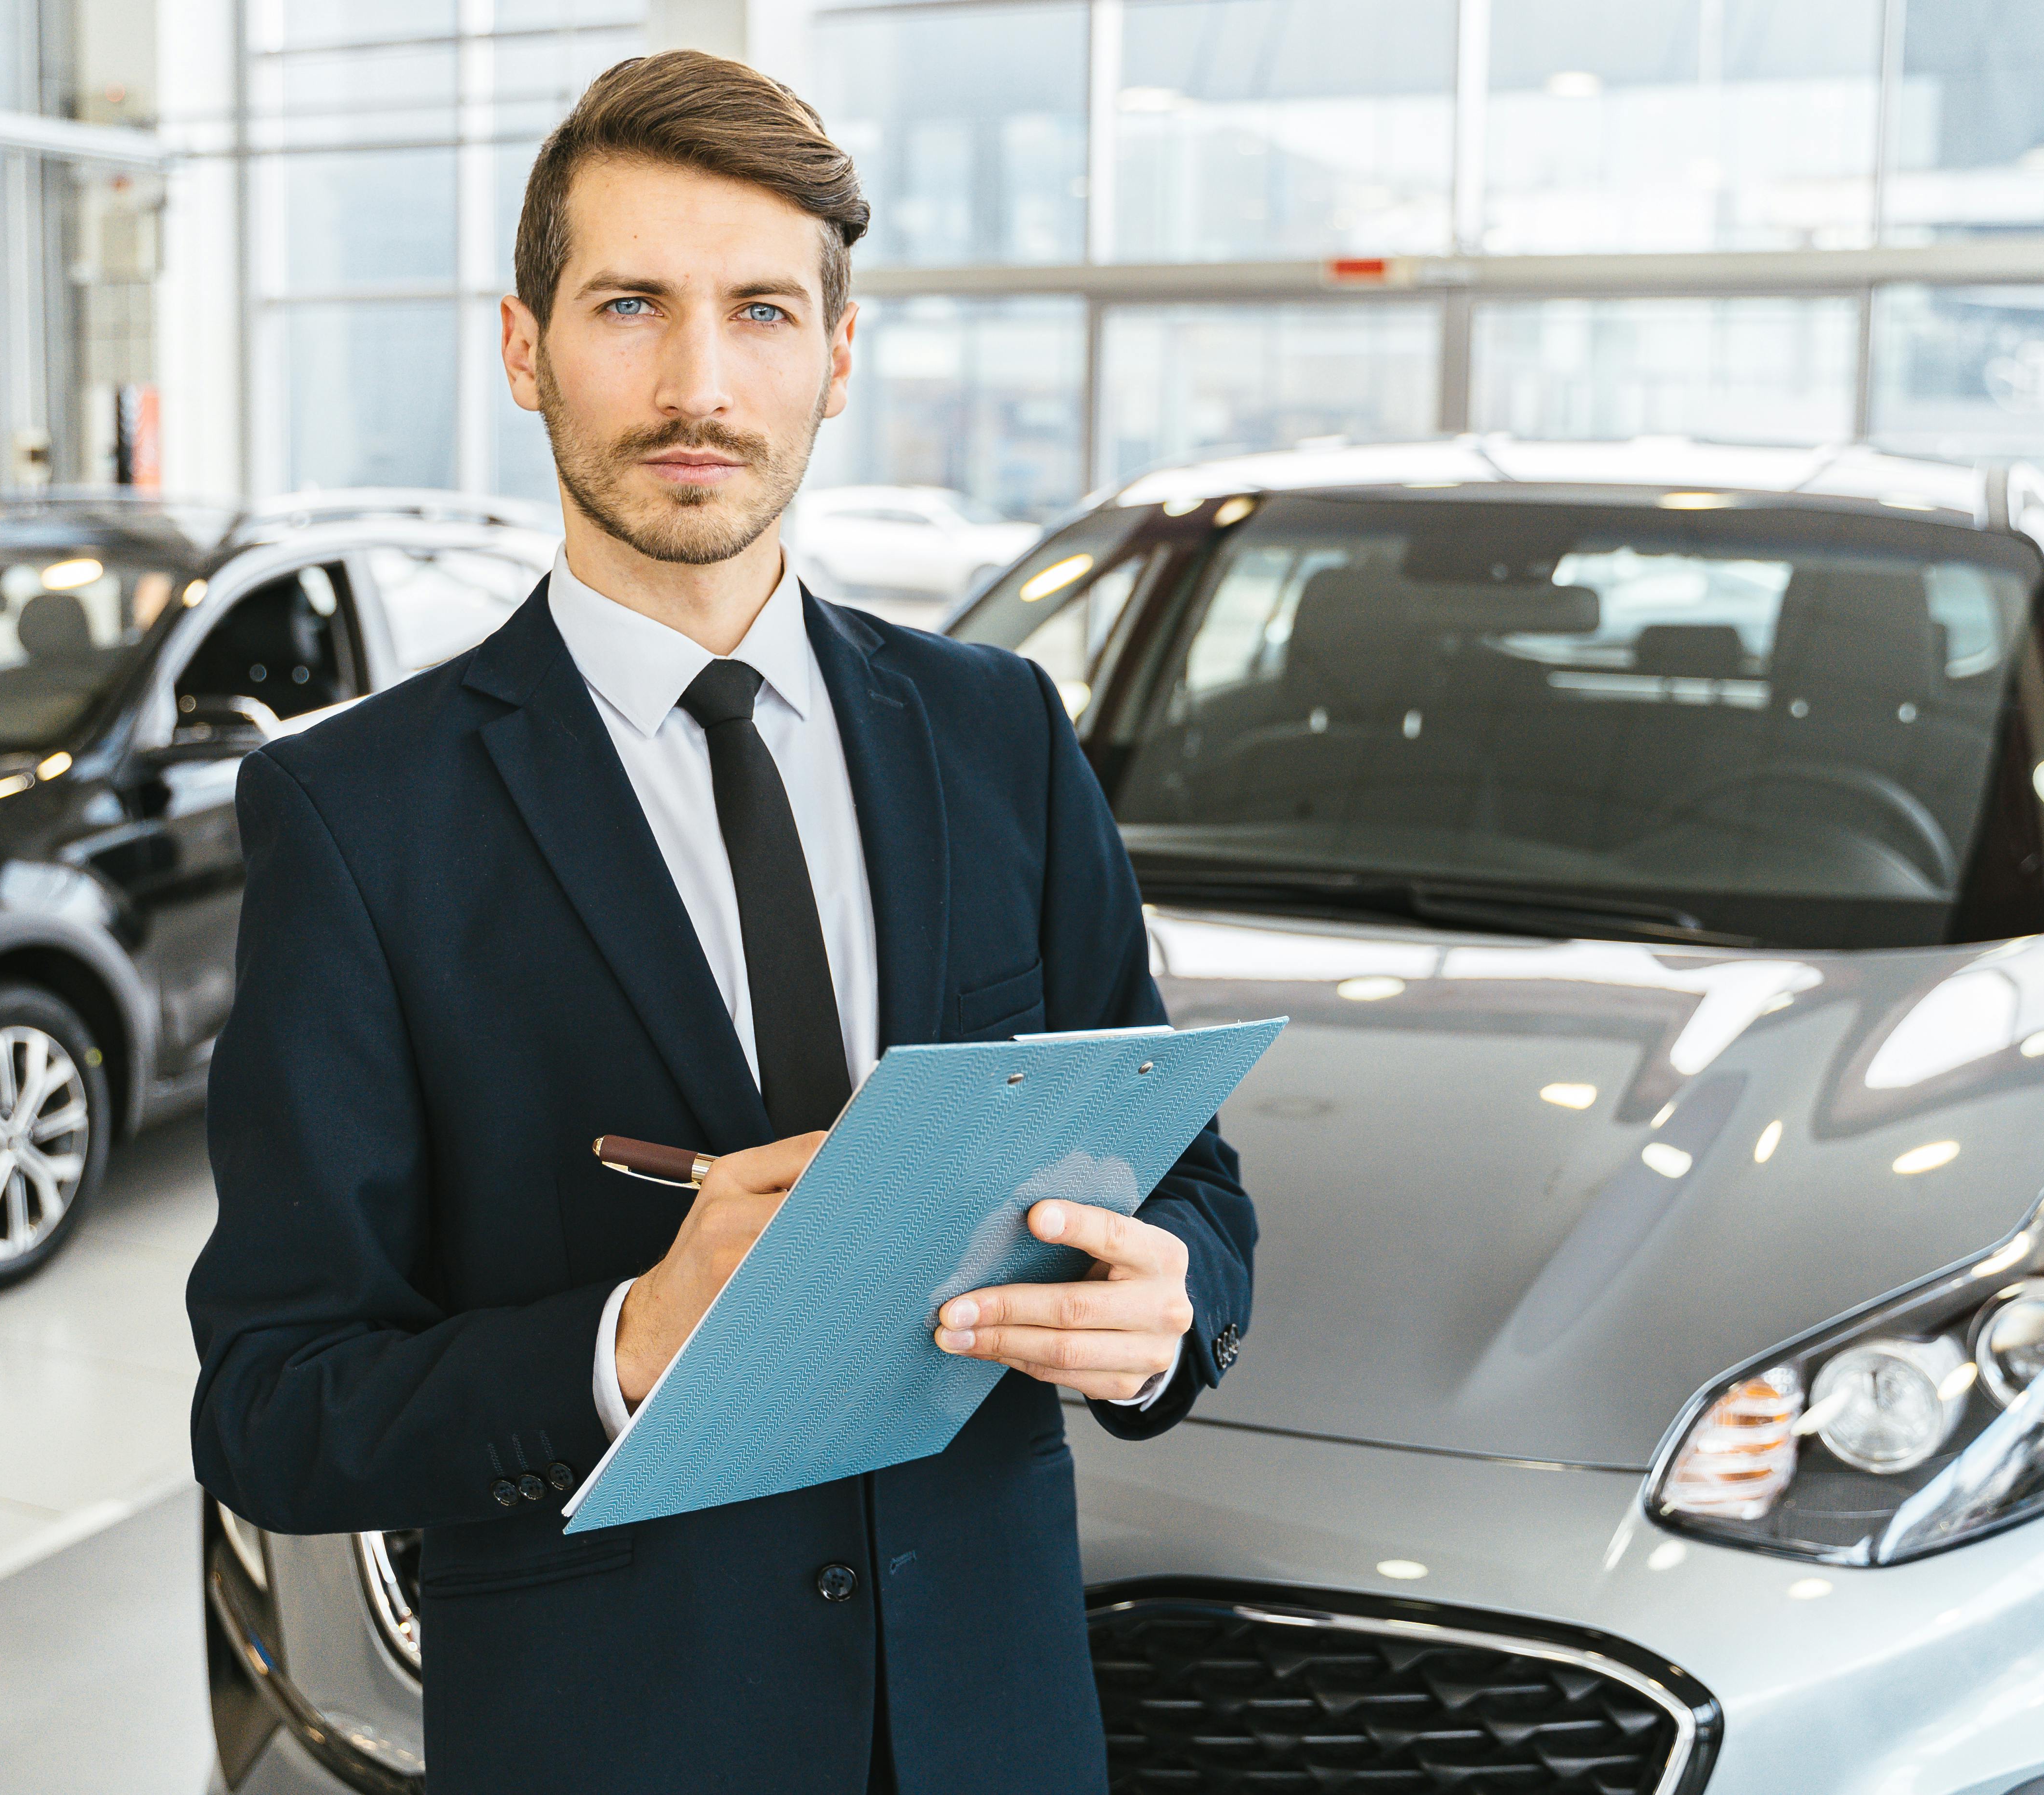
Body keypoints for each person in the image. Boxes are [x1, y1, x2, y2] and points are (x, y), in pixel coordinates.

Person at [185, 49, 1255, 1794]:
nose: (698, 383)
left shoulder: (998, 735)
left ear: (835, 359)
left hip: (992, 1734)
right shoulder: (359, 817)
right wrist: (624, 1346)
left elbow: (1193, 1183)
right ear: (525, 347)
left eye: (761, 311)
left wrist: (1170, 1313)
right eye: (630, 305)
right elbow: (275, 1409)